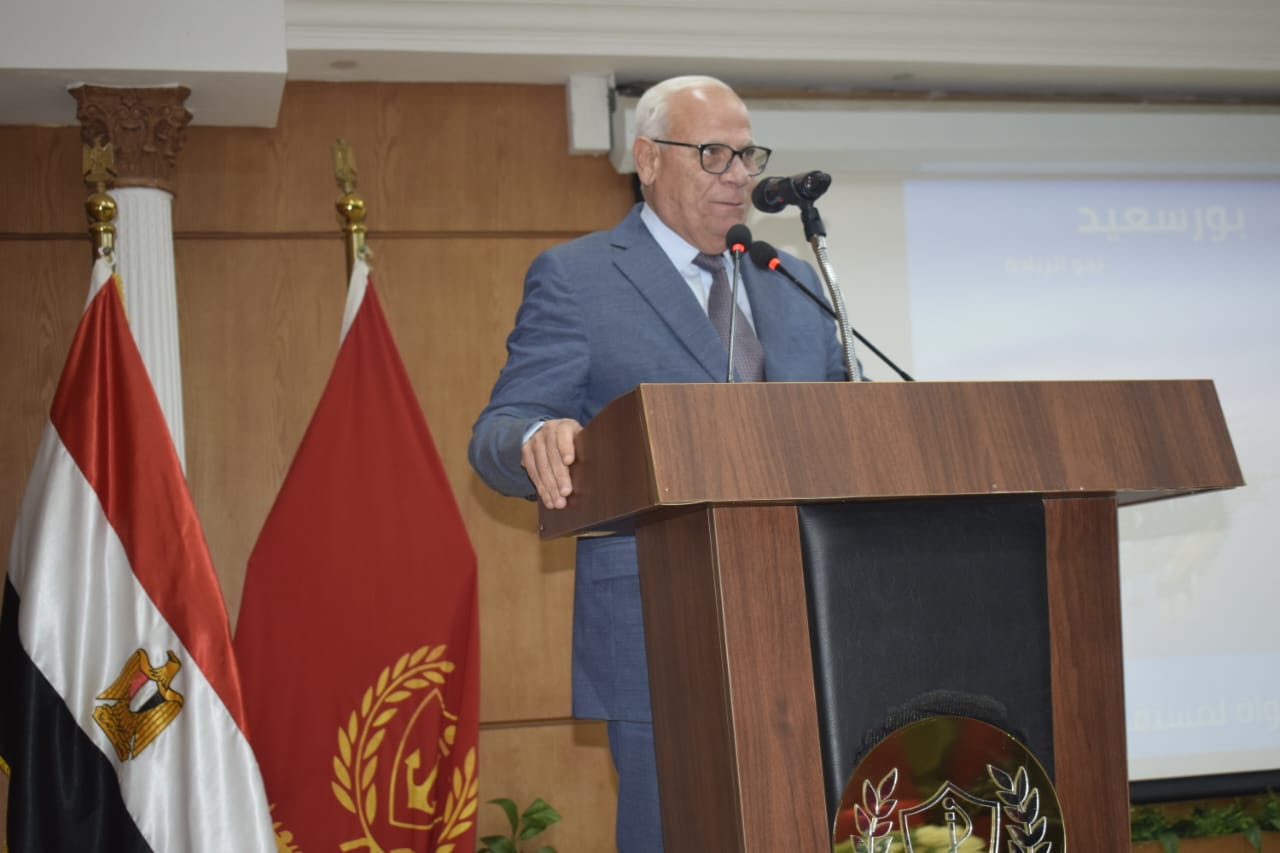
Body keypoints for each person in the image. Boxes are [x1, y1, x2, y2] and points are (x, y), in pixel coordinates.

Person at [468, 75, 846, 852]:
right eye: (713, 155)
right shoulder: (579, 278)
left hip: (814, 621)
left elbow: (848, 426)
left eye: (747, 155)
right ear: (646, 159)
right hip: (657, 628)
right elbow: (498, 429)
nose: (738, 175)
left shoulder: (792, 279)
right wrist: (537, 436)